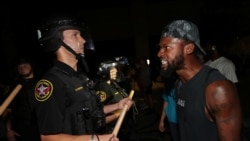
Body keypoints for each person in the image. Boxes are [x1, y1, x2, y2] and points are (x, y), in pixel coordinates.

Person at [34, 13, 133, 141]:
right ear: (56, 41)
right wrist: (96, 139)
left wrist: (117, 106)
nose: (83, 40)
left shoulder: (80, 77)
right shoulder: (51, 83)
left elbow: (90, 111)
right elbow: (47, 137)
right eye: (75, 35)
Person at [157, 19, 242, 141]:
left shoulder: (218, 89)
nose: (159, 53)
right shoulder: (179, 84)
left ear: (189, 48)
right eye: (160, 48)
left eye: (167, 47)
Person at [94, 60, 139, 141]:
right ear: (105, 71)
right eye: (112, 68)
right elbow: (99, 112)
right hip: (115, 127)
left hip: (124, 124)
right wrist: (118, 114)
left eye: (115, 68)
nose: (115, 70)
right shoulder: (101, 87)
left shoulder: (112, 83)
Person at [5, 57, 40, 141]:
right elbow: (7, 110)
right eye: (19, 67)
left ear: (31, 66)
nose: (22, 68)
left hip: (43, 127)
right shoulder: (14, 87)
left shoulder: (42, 82)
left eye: (25, 65)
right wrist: (9, 130)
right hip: (23, 129)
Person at [159, 72, 179, 141]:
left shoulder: (182, 84)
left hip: (183, 120)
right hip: (171, 119)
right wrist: (161, 120)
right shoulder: (167, 86)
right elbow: (166, 102)